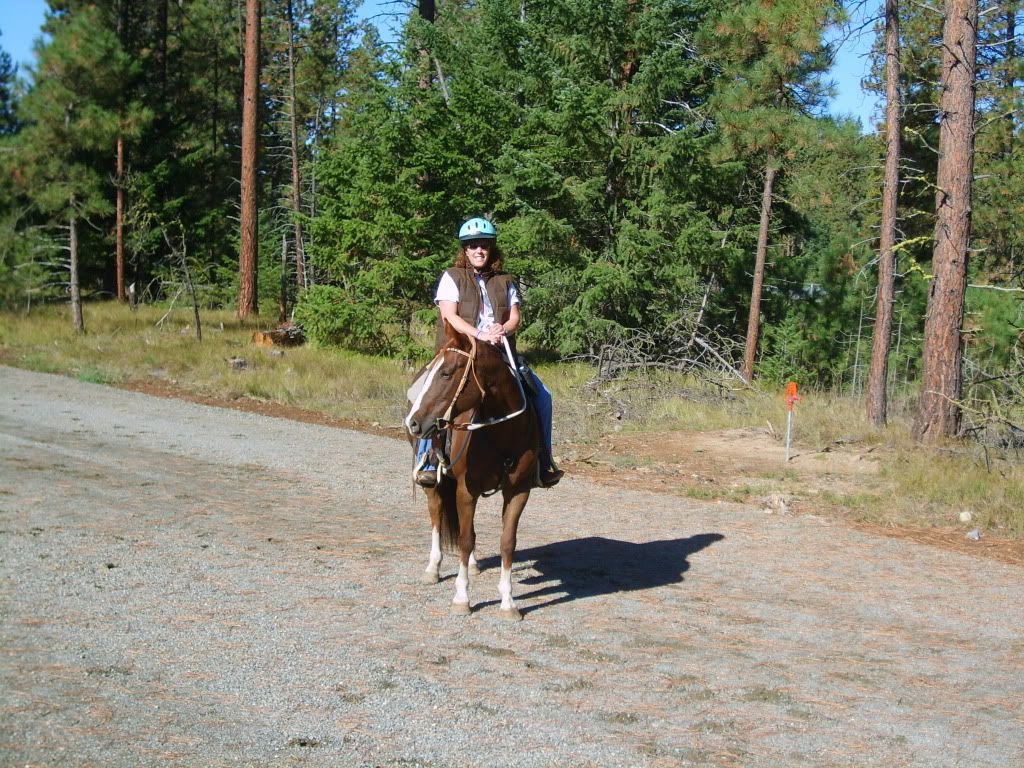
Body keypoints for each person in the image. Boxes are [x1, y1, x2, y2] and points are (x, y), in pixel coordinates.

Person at [414, 216, 563, 489]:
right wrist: (480, 334)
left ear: (491, 248)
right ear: (465, 250)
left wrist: (501, 330)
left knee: (543, 396)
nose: (478, 250)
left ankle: (544, 461)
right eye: (472, 246)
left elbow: (515, 318)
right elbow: (450, 316)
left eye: (483, 245)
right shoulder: (452, 277)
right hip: (459, 352)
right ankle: (428, 458)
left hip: (499, 352)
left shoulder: (505, 280)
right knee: (426, 392)